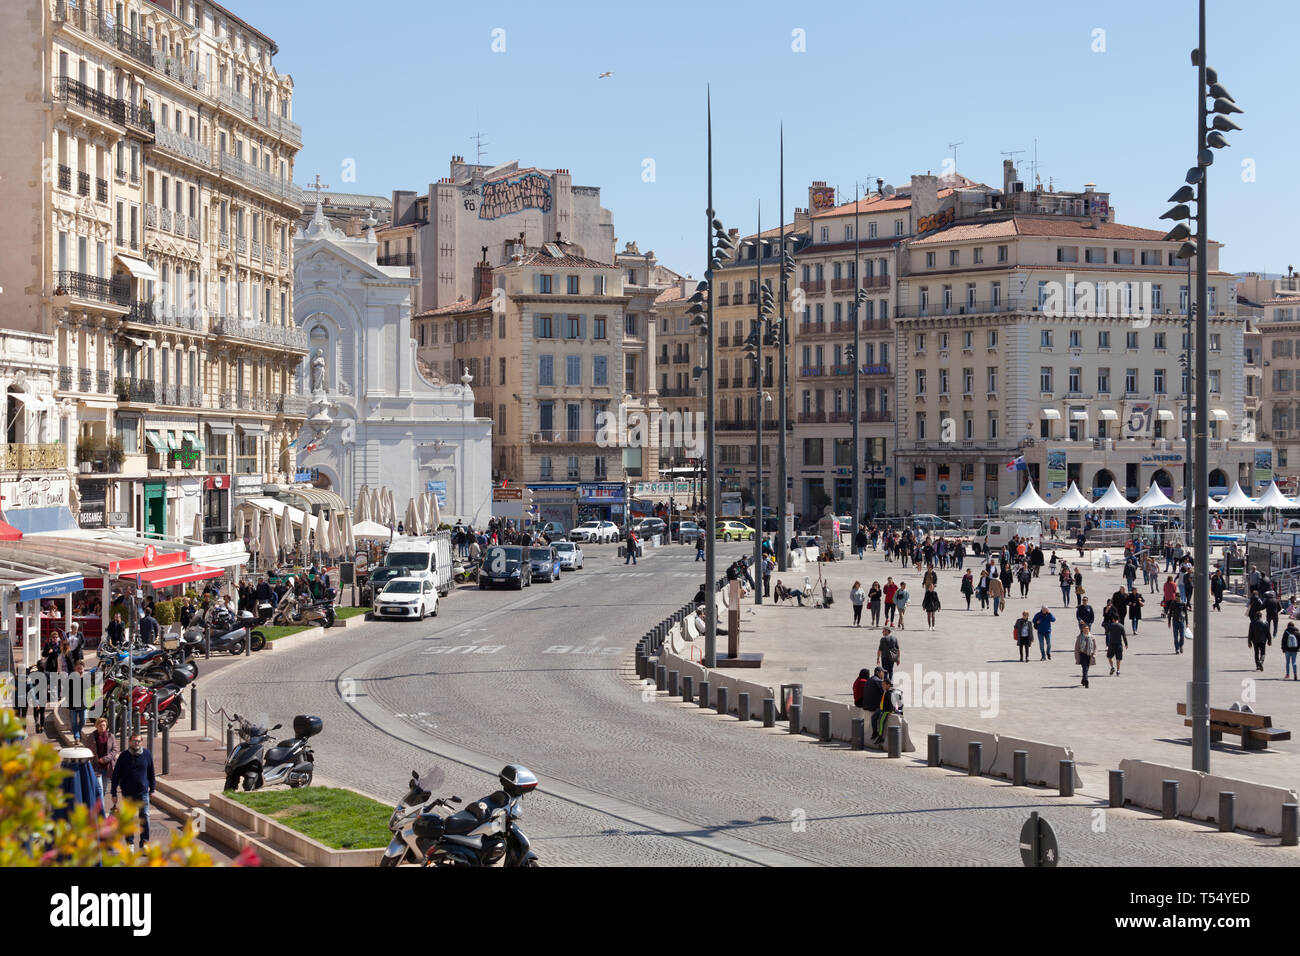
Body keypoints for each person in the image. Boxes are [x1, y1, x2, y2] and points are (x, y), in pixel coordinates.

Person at [111, 733, 157, 848]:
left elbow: (151, 772)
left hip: (143, 792)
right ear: (130, 742)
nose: (136, 743)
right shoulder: (123, 756)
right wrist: (113, 792)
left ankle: (144, 843)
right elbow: (116, 775)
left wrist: (153, 788)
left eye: (139, 741)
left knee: (145, 817)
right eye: (134, 741)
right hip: (128, 793)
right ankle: (129, 843)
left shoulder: (147, 754)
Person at [89, 716, 116, 800]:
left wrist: (105, 759)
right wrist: (94, 759)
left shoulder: (110, 736)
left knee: (103, 789)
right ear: (96, 726)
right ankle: (101, 810)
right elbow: (87, 749)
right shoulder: (91, 736)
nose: (102, 727)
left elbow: (115, 750)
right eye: (100, 725)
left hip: (107, 766)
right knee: (99, 788)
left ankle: (99, 806)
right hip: (96, 766)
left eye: (104, 725)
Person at [1075, 623, 1097, 688]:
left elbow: (1095, 646)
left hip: (1089, 655)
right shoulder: (1079, 637)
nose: (1086, 630)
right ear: (1082, 630)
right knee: (1085, 667)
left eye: (1087, 629)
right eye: (1085, 629)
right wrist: (1076, 657)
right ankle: (1086, 680)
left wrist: (1094, 654)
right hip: (1082, 654)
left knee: (1086, 668)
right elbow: (1076, 648)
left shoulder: (1092, 637)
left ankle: (1083, 678)